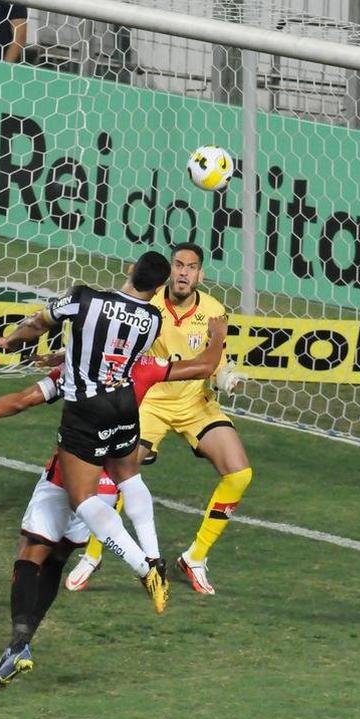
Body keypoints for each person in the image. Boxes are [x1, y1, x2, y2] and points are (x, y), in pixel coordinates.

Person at [0, 317, 227, 688]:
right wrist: (218, 335)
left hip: (66, 478)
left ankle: (20, 643)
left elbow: (21, 401)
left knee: (31, 556)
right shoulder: (143, 368)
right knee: (57, 560)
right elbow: (204, 365)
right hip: (108, 485)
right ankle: (150, 564)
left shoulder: (74, 373)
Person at [0, 253, 172, 614]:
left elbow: (39, 323)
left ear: (130, 268)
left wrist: (10, 341)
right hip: (125, 406)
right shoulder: (153, 320)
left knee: (82, 498)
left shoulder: (84, 297)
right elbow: (115, 352)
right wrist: (67, 355)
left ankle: (143, 569)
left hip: (88, 410)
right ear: (159, 287)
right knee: (129, 477)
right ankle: (155, 555)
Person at [67, 242, 250, 595]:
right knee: (119, 472)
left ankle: (194, 558)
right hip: (149, 401)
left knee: (240, 473)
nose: (183, 272)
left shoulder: (214, 311)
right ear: (168, 271)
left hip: (195, 403)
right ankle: (92, 555)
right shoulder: (146, 305)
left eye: (191, 267)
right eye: (178, 265)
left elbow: (216, 361)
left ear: (201, 274)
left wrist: (226, 375)